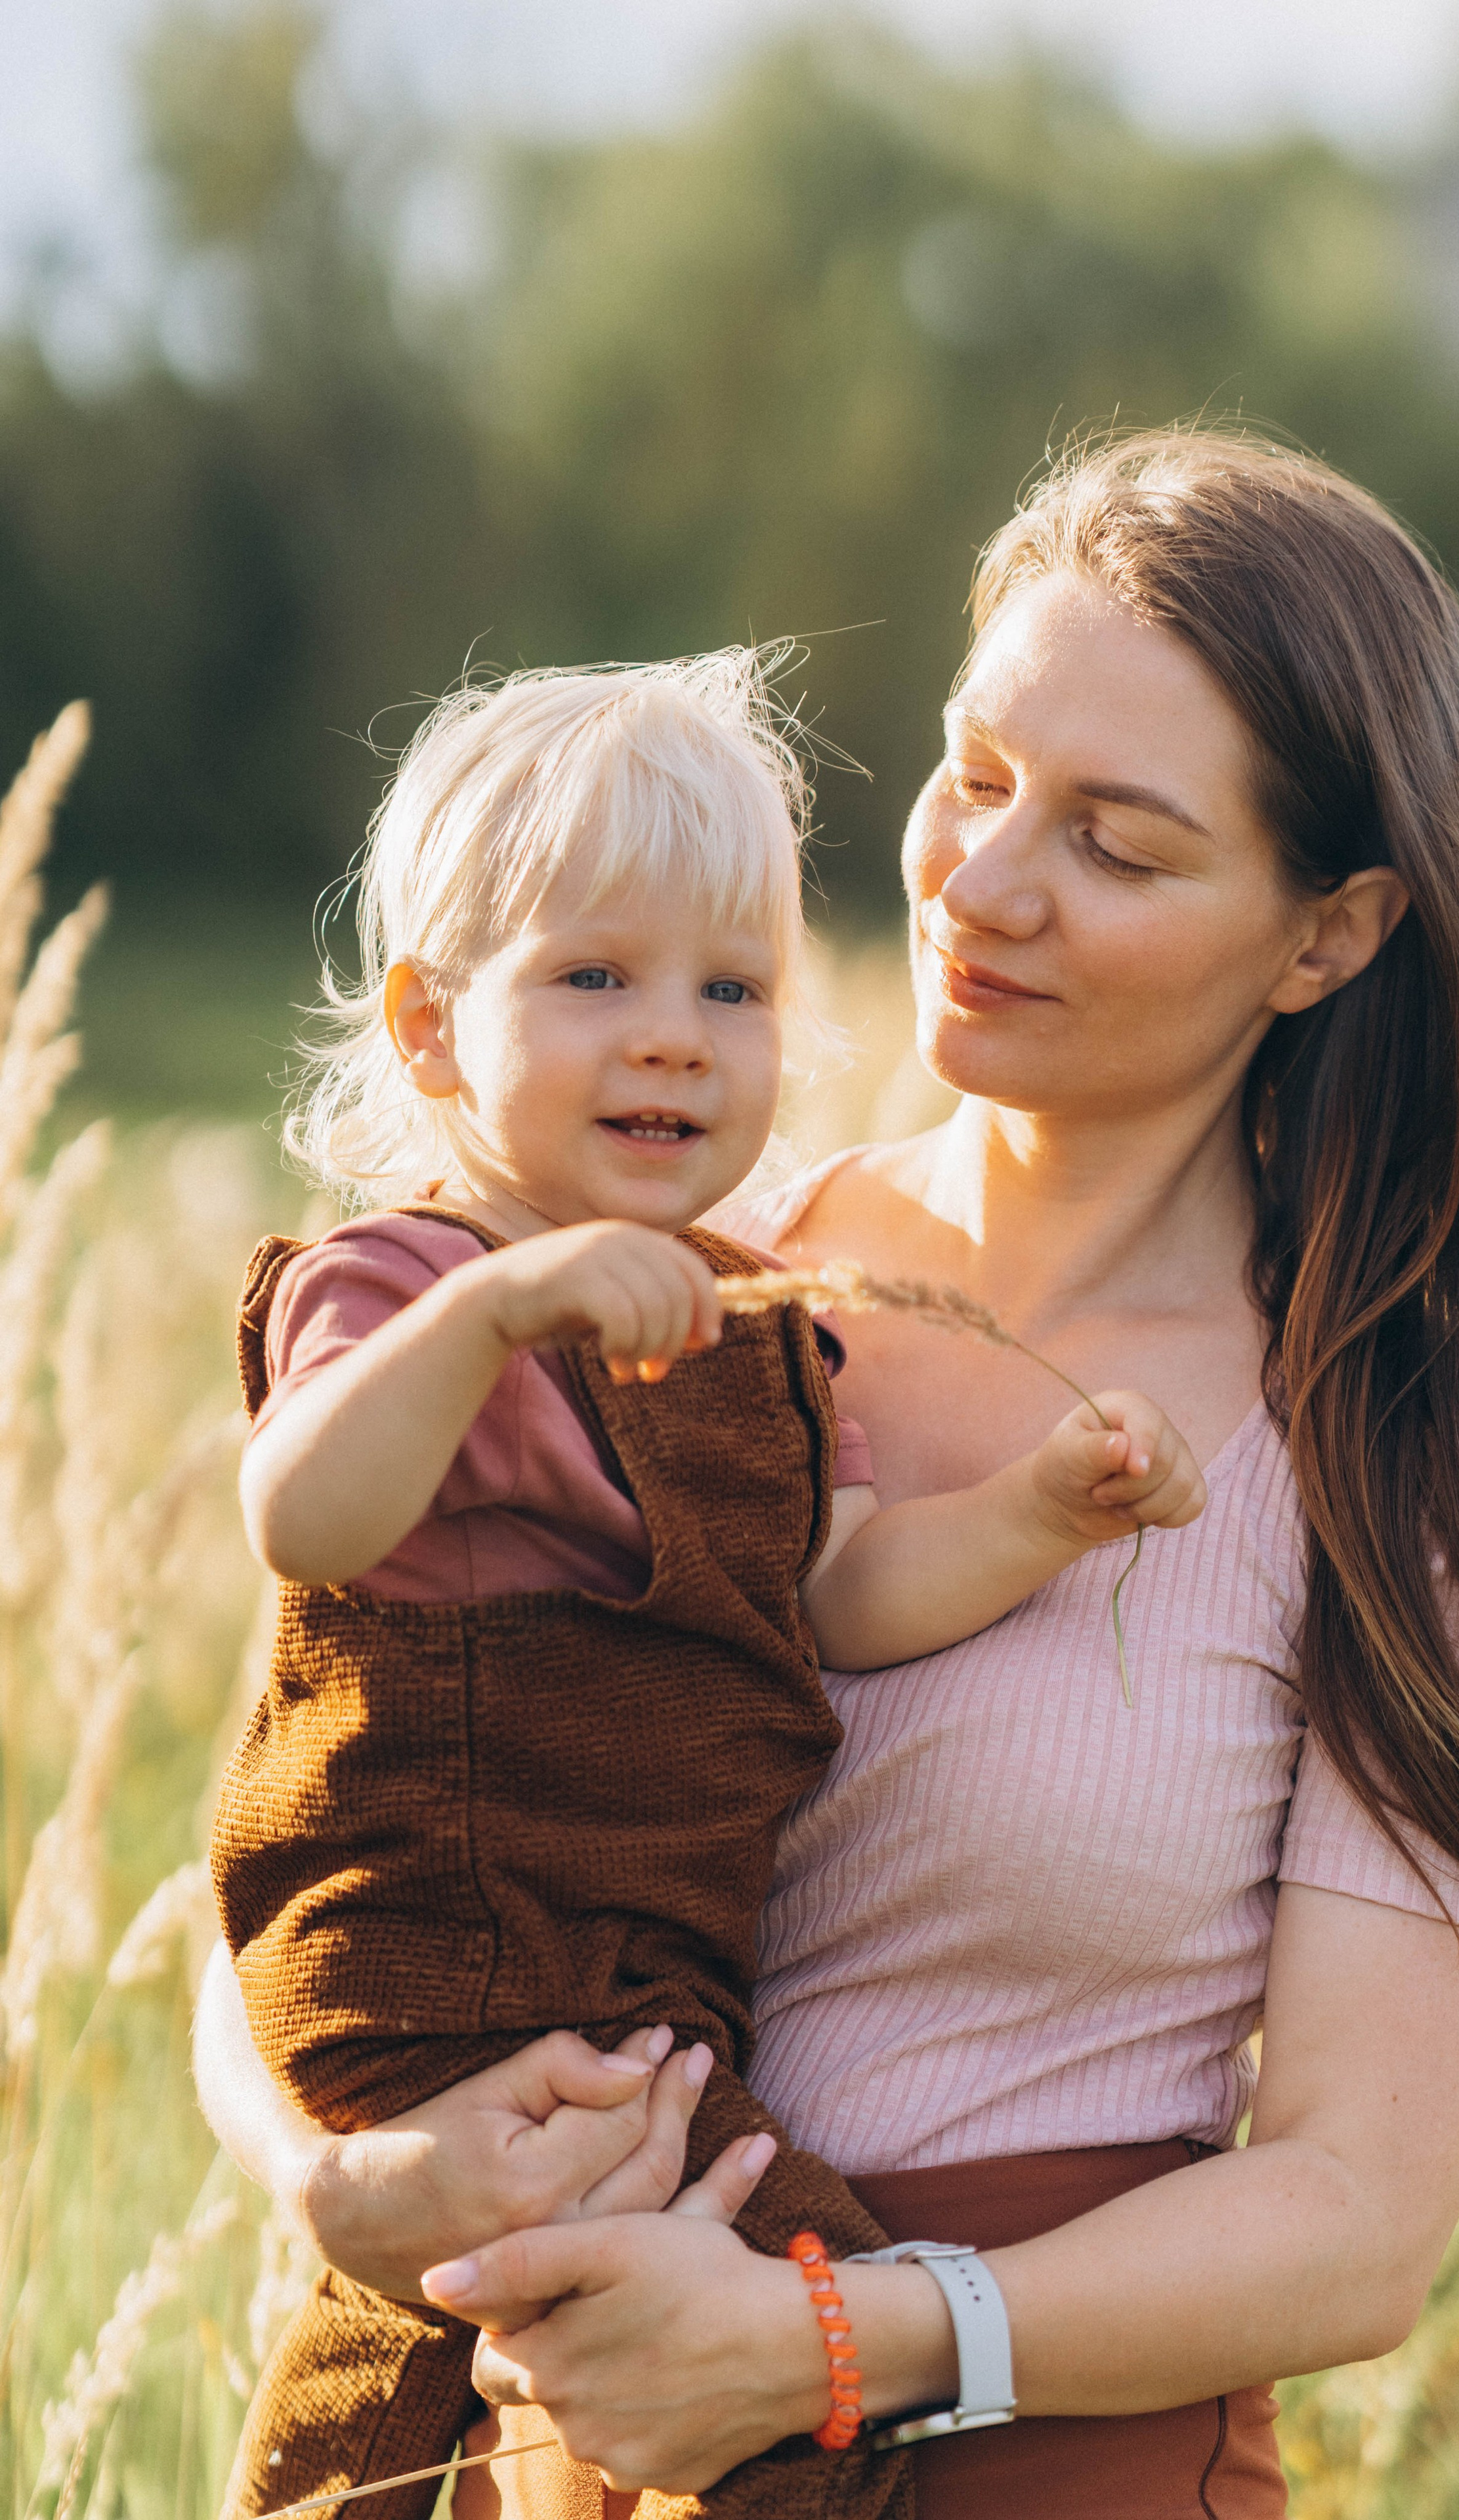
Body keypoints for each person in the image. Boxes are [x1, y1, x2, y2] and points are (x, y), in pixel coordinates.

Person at [196, 429, 1459, 2520]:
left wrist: (824, 2346)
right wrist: (352, 2181)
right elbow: (295, 1823)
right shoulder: (653, 1284)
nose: (980, 885)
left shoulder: (1397, 1465)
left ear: (1327, 937)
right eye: (976, 777)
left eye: (1121, 846)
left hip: (1032, 2461)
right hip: (558, 2439)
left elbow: (1359, 2218)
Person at [210, 652, 1203, 2520]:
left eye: (730, 990)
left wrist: (1043, 1514)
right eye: (595, 977)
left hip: (647, 2014)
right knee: (547, 2368)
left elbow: (831, 1599)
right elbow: (307, 1515)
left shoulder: (759, 1331)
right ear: (431, 1028)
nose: (673, 1035)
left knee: (718, 2363)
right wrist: (492, 1311)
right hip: (444, 1980)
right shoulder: (405, 1285)